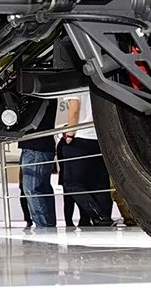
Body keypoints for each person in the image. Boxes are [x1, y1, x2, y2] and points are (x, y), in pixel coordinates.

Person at [60, 93, 114, 227]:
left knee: (71, 183)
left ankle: (99, 215)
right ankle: (105, 217)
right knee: (99, 184)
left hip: (81, 138)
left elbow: (74, 111)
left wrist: (70, 134)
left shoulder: (74, 85)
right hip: (99, 139)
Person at [20, 101, 58, 228]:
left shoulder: (38, 98)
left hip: (35, 146)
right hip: (39, 145)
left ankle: (43, 225)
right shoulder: (47, 97)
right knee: (42, 187)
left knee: (32, 188)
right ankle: (48, 225)